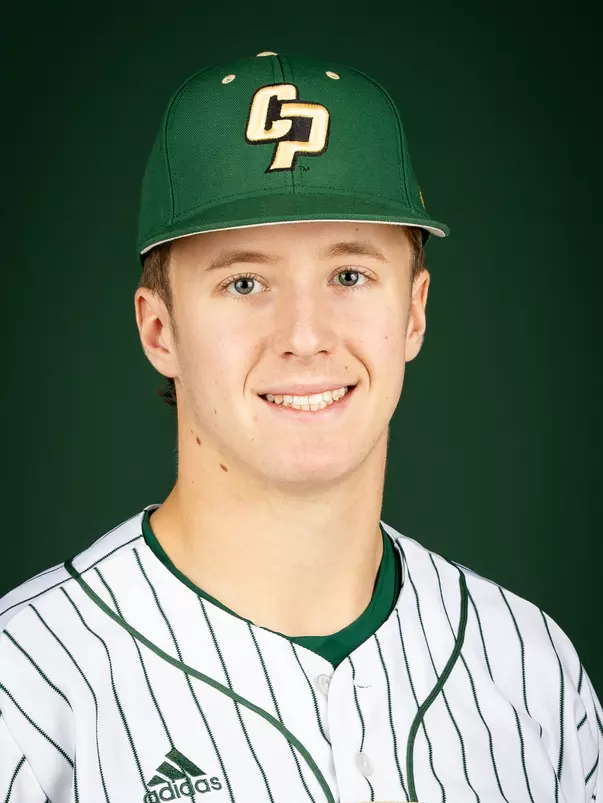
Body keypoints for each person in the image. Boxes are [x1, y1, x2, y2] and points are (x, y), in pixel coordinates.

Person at [0, 51, 601, 803]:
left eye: (349, 275)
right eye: (244, 282)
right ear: (160, 329)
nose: (306, 335)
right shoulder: (24, 692)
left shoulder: (527, 663)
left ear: (412, 312)